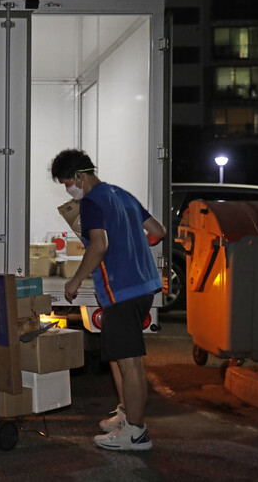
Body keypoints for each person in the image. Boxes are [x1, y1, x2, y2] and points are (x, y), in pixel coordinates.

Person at [50, 148, 166, 451]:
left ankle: (137, 433)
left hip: (122, 289)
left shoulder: (90, 202)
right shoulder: (121, 194)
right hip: (141, 286)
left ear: (80, 176)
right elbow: (157, 232)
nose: (68, 190)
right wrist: (132, 244)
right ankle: (128, 416)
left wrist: (75, 280)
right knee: (118, 357)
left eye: (67, 183)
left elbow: (98, 246)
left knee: (129, 362)